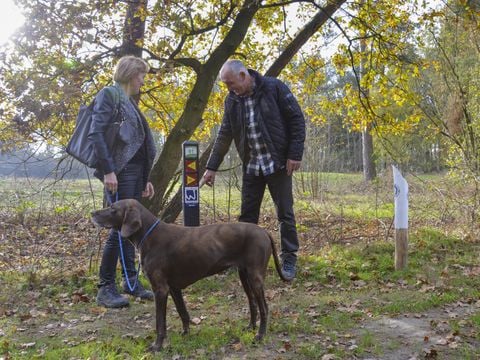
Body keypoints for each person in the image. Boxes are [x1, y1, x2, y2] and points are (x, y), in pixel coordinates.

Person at [203, 59, 305, 281]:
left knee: (285, 213)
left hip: (277, 163)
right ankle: (240, 258)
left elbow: (296, 120)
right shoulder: (231, 101)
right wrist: (211, 167)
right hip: (251, 165)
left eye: (231, 83)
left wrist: (294, 154)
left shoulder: (274, 88)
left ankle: (289, 258)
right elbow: (224, 135)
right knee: (247, 216)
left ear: (243, 75)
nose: (229, 89)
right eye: (226, 85)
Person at [89, 55, 157, 308]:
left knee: (130, 229)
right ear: (131, 74)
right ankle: (105, 288)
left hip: (133, 174)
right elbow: (96, 133)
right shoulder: (109, 95)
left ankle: (131, 282)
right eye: (141, 75)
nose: (142, 80)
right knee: (118, 230)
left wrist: (144, 179)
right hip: (118, 173)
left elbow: (137, 144)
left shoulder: (128, 101)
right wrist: (108, 171)